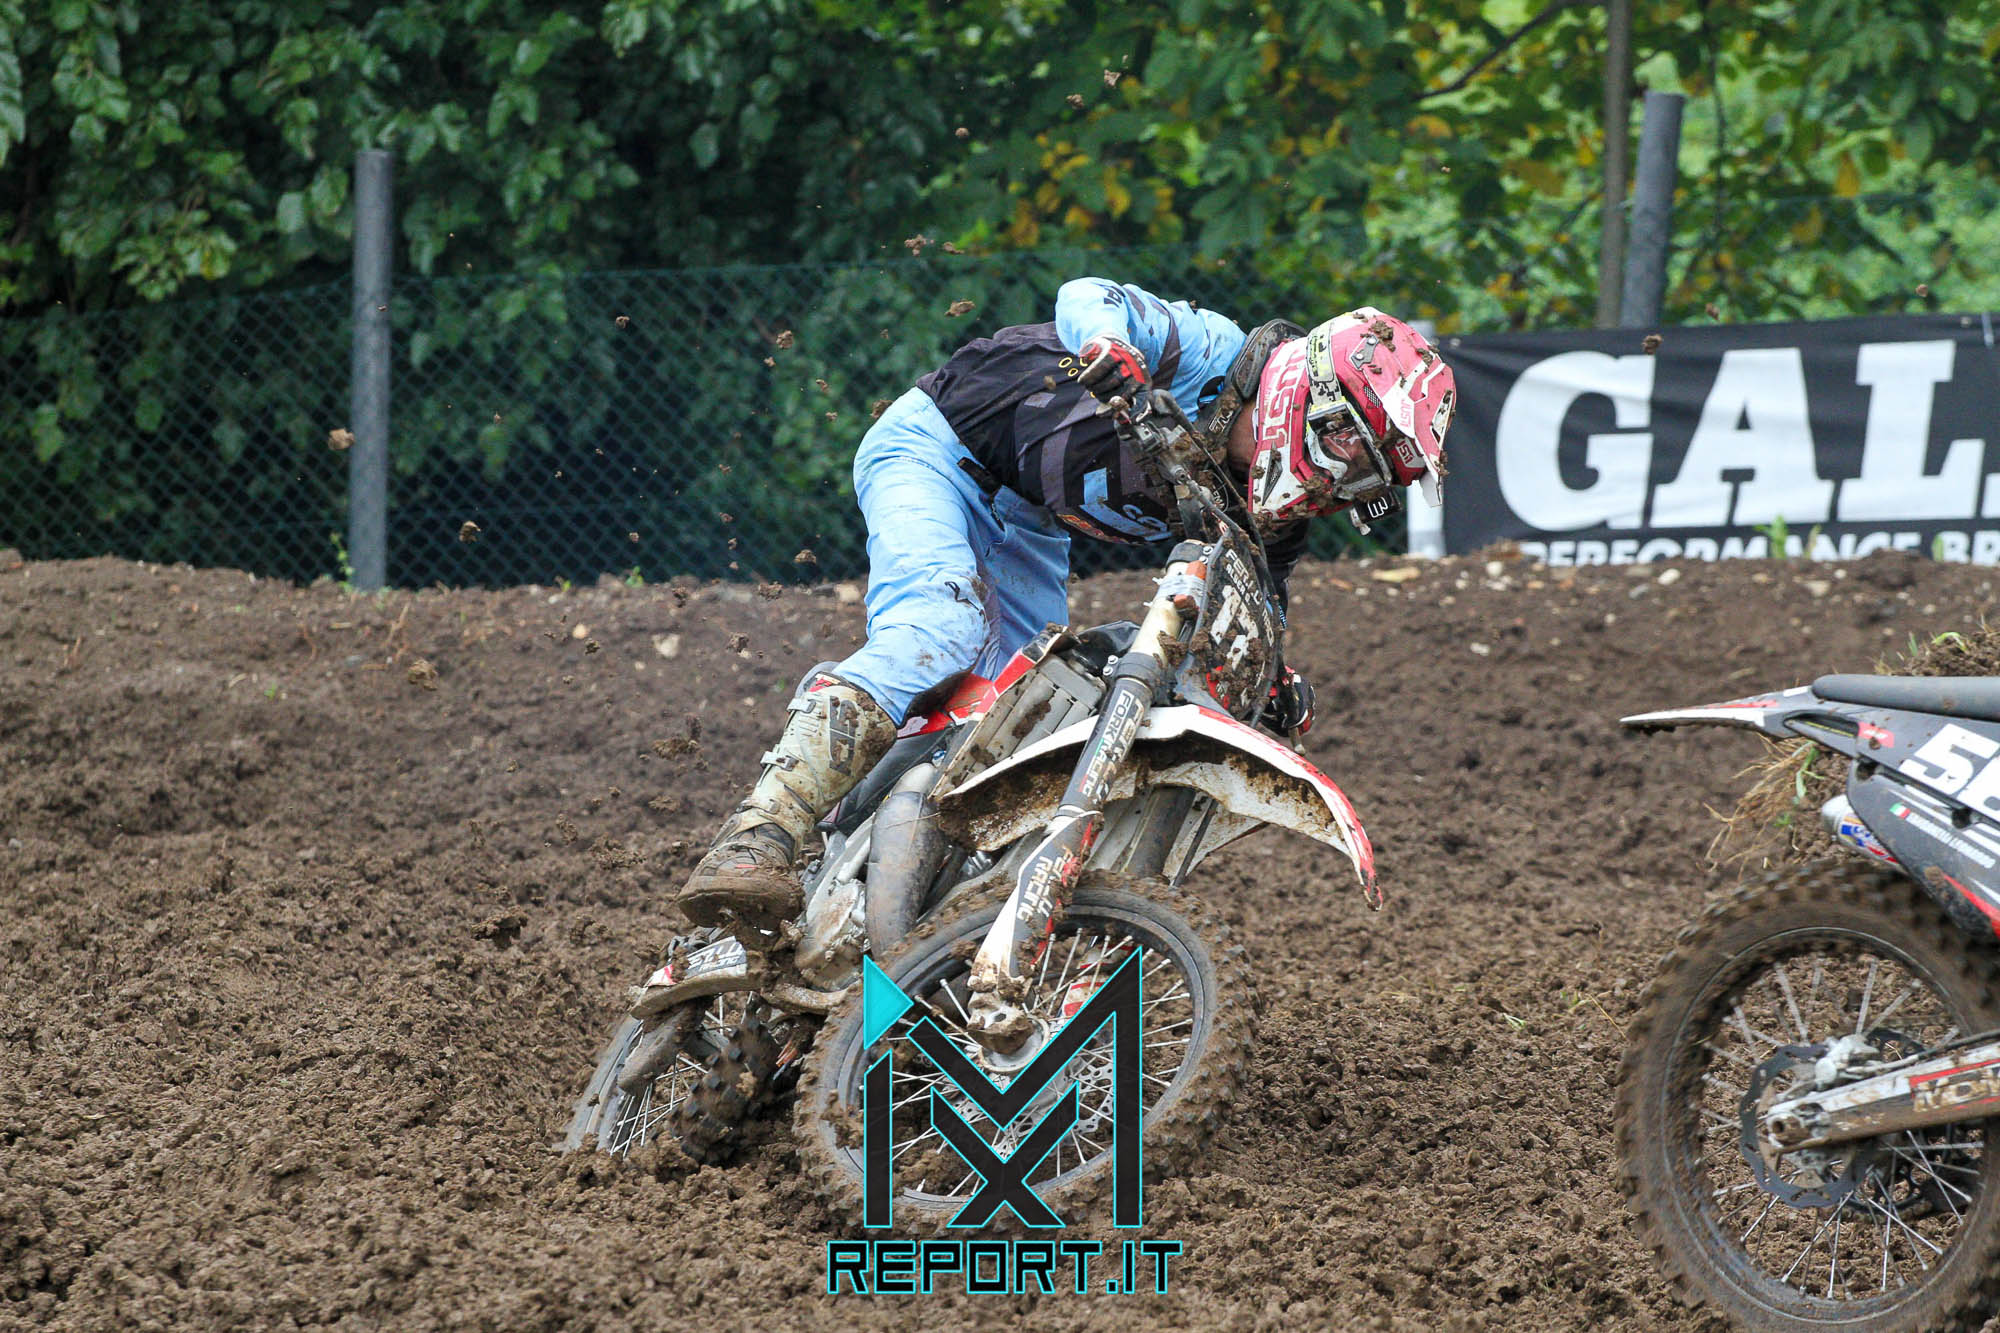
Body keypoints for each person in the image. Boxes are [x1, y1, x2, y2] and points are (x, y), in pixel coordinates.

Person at [674, 277, 1456, 933]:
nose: (1347, 484)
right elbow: (1090, 294)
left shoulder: (1269, 513)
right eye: (1355, 455)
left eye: (1372, 481)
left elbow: (1257, 609)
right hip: (938, 447)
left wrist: (1273, 680)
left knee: (1020, 708)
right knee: (940, 627)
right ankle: (759, 833)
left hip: (1028, 522)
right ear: (1317, 399)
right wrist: (1109, 349)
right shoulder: (1213, 352)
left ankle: (870, 866)